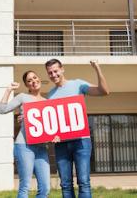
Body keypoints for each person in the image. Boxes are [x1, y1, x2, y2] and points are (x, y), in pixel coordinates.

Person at [45, 58, 109, 198]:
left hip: (81, 141)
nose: (53, 75)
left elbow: (103, 91)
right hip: (61, 144)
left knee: (84, 182)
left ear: (62, 69)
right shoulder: (50, 95)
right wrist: (52, 136)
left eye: (55, 71)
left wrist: (97, 68)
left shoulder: (78, 84)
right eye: (50, 73)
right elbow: (51, 123)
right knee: (65, 184)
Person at [0, 71, 51, 198]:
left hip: (42, 147)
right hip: (24, 146)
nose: (33, 81)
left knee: (45, 188)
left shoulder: (47, 101)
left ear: (39, 79)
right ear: (27, 85)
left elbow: (49, 125)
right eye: (29, 80)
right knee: (25, 187)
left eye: (35, 77)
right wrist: (8, 90)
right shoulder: (22, 97)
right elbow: (2, 110)